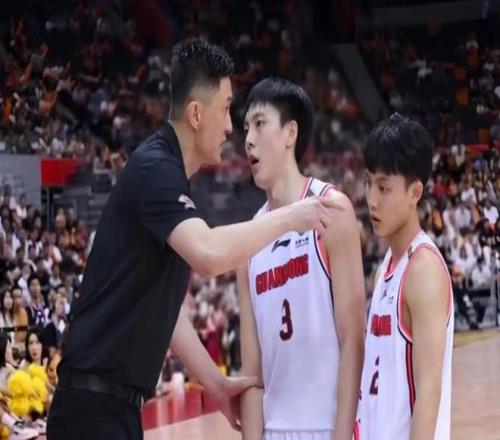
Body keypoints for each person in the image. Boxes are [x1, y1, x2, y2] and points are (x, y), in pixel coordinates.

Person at [47, 39, 339, 440]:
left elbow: (165, 314)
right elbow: (209, 254)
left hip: (110, 409)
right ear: (197, 114)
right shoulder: (155, 169)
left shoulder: (166, 177)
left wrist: (215, 384)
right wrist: (291, 217)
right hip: (92, 409)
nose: (231, 127)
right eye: (226, 109)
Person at [238, 78, 365, 440]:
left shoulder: (331, 209)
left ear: (290, 133)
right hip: (272, 431)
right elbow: (252, 377)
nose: (248, 140)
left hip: (328, 427)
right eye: (245, 128)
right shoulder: (248, 240)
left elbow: (353, 339)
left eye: (260, 124)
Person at [359, 114, 453, 439]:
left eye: (384, 187)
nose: (371, 199)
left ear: (415, 192)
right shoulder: (386, 266)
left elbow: (428, 392)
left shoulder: (423, 269)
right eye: (368, 182)